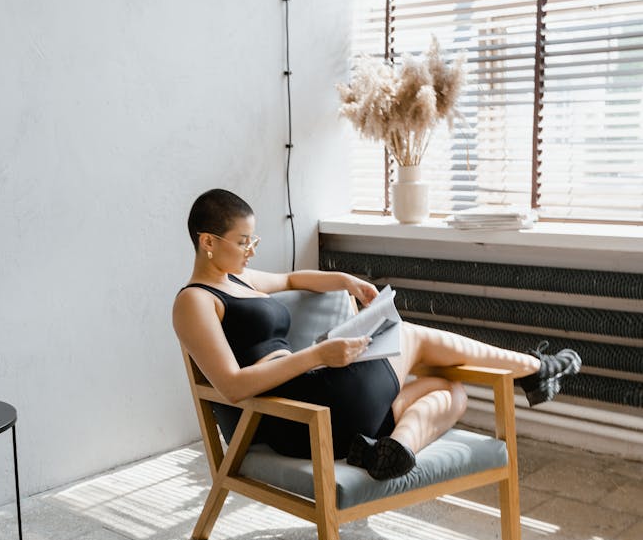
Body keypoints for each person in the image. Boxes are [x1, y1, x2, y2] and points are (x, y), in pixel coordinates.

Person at [172, 189, 581, 481]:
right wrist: (318, 356)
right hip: (294, 414)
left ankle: (390, 450)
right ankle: (534, 368)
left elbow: (292, 277)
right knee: (411, 336)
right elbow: (230, 385)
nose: (252, 250)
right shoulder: (194, 301)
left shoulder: (240, 279)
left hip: (335, 416)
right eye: (243, 241)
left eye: (253, 239)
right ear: (208, 241)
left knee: (450, 390)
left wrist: (345, 280)